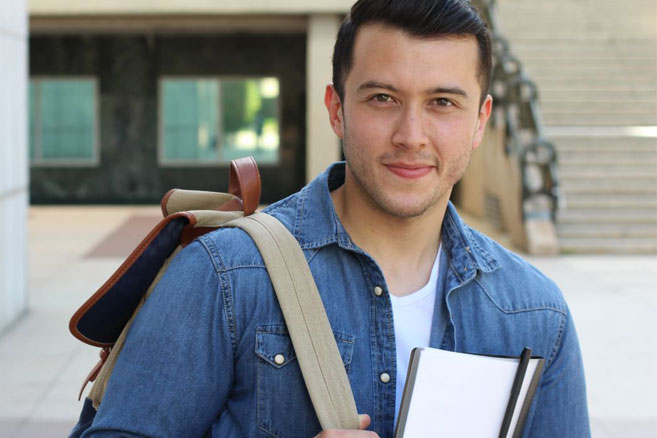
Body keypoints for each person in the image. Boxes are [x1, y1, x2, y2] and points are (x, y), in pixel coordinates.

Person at [79, 0, 590, 436]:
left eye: (442, 103)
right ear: (337, 108)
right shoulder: (224, 275)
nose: (411, 135)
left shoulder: (537, 314)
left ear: (480, 121)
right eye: (383, 98)